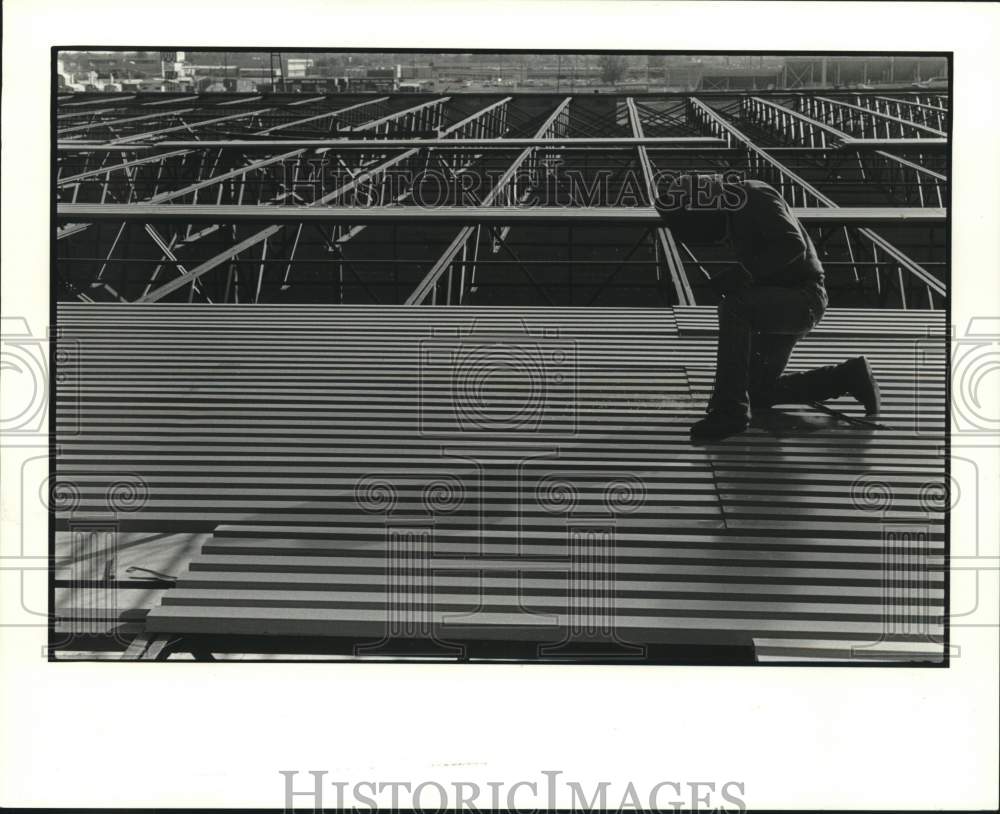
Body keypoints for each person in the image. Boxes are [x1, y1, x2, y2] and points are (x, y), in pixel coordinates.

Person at [654, 172, 881, 442]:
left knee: (734, 308)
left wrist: (744, 274)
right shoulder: (736, 209)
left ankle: (729, 412)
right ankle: (847, 377)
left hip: (803, 297)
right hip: (782, 298)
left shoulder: (754, 196)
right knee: (756, 391)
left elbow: (792, 245)